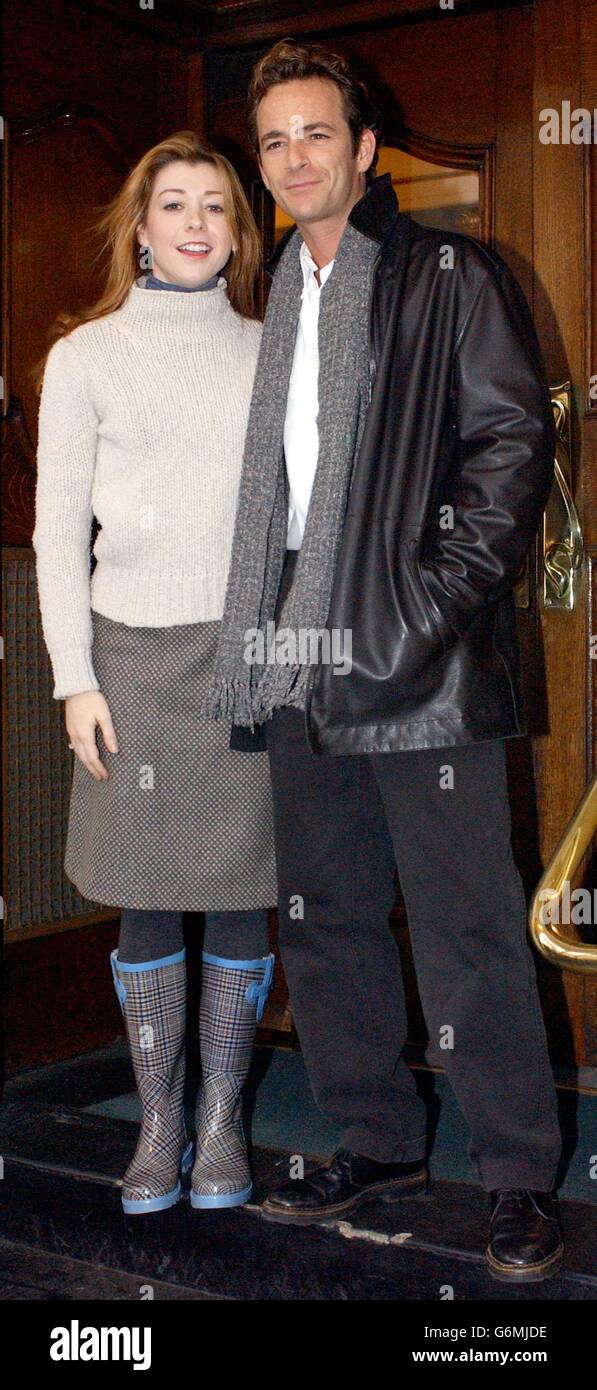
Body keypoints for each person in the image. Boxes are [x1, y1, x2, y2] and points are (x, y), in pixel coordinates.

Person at [203, 39, 564, 1283]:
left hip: (417, 654)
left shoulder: (451, 273)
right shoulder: (275, 303)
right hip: (297, 648)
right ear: (264, 166)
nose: (296, 157)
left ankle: (518, 1173)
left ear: (364, 149)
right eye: (274, 141)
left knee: (469, 925)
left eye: (318, 133)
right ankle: (376, 1139)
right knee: (331, 915)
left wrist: (425, 609)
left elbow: (509, 451)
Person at [33, 132, 277, 1215]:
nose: (192, 224)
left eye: (214, 207)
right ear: (140, 228)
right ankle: (158, 1125)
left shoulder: (277, 351)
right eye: (172, 205)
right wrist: (72, 678)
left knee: (235, 900)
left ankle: (221, 1123)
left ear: (237, 231)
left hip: (244, 655)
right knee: (143, 904)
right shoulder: (84, 357)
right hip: (127, 659)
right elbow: (53, 536)